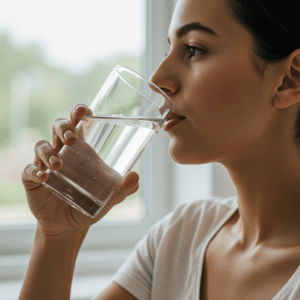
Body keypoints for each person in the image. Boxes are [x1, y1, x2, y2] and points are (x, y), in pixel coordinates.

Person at [19, 0, 300, 299]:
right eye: (169, 50)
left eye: (194, 49)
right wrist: (58, 236)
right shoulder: (181, 236)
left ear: (289, 80)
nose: (156, 80)